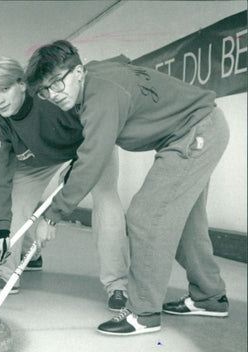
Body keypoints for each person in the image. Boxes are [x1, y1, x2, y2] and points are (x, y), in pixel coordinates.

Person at [26, 40, 230, 335]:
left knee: (146, 217)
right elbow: (123, 62)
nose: (53, 95)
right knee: (185, 224)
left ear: (79, 71)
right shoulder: (95, 78)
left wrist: (52, 216)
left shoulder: (101, 94)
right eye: (44, 90)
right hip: (197, 129)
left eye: (57, 83)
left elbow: (93, 160)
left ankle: (143, 312)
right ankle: (210, 297)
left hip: (195, 132)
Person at [0, 56, 129, 309]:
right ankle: (4, 275)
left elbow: (95, 130)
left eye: (5, 89)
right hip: (37, 160)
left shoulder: (50, 96)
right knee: (10, 206)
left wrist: (77, 168)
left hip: (87, 148)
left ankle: (117, 286)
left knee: (107, 199)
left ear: (22, 84)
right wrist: (2, 230)